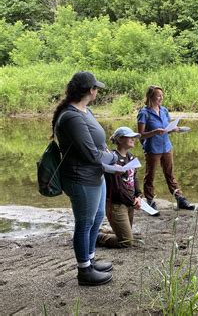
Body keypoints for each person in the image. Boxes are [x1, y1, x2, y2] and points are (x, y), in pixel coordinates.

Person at [52, 71, 117, 286]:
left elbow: (96, 145)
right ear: (90, 90)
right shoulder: (71, 116)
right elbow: (91, 154)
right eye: (96, 87)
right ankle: (84, 271)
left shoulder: (85, 110)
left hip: (95, 175)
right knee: (85, 223)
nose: (97, 90)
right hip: (80, 178)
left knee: (96, 219)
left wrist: (106, 152)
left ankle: (90, 260)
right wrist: (116, 157)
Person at [137, 85, 195, 213]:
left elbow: (166, 129)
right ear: (150, 96)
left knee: (170, 174)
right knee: (150, 176)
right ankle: (150, 201)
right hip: (152, 148)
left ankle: (180, 199)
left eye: (162, 95)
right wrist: (155, 132)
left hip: (166, 146)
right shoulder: (144, 113)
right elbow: (140, 135)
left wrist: (172, 129)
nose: (161, 98)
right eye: (158, 96)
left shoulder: (164, 110)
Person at [97, 127, 143, 248]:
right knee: (126, 242)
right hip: (116, 204)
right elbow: (117, 188)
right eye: (130, 137)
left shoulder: (131, 157)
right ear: (120, 139)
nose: (133, 139)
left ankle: (107, 231)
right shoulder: (111, 158)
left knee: (126, 236)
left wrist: (138, 196)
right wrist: (132, 201)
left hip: (129, 202)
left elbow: (134, 178)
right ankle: (98, 237)